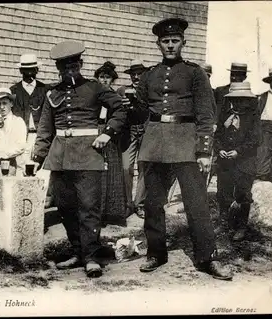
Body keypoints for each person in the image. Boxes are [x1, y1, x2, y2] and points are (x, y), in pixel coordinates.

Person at [135, 18, 233, 280]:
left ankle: (208, 257)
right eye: (165, 41)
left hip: (186, 144)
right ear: (158, 44)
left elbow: (205, 114)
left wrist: (203, 151)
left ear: (183, 43)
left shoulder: (195, 73)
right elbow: (141, 110)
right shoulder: (149, 75)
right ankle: (156, 253)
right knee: (153, 203)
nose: (170, 45)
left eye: (174, 41)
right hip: (155, 144)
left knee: (196, 202)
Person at [32, 41, 127, 278]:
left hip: (88, 155)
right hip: (60, 157)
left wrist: (107, 133)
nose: (69, 72)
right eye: (64, 69)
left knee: (88, 208)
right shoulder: (52, 93)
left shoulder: (94, 88)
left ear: (81, 65)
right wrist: (38, 156)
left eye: (73, 67)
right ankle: (77, 251)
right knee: (65, 207)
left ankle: (92, 257)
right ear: (58, 70)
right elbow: (45, 128)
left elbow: (120, 110)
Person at [214, 82, 261, 242]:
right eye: (234, 99)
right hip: (225, 161)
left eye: (241, 99)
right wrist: (219, 149)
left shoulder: (253, 117)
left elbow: (255, 140)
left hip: (245, 162)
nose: (237, 103)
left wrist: (238, 152)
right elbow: (218, 135)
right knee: (223, 191)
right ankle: (223, 222)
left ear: (247, 100)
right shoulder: (225, 114)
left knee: (243, 193)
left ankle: (241, 226)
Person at [9, 53, 53, 207]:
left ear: (37, 70)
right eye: (26, 70)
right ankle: (22, 207)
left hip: (41, 137)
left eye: (32, 70)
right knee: (21, 168)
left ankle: (38, 207)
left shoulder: (45, 89)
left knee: (40, 170)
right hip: (21, 137)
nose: (29, 73)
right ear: (21, 71)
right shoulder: (13, 91)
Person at [94, 61, 127, 226]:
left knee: (112, 173)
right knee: (98, 173)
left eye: (107, 78)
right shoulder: (93, 96)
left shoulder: (115, 97)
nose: (104, 81)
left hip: (110, 137)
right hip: (94, 134)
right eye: (101, 77)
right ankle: (97, 213)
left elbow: (121, 117)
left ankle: (111, 213)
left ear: (112, 80)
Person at [118, 60, 150, 219]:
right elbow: (116, 112)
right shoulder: (122, 91)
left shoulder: (150, 90)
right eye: (133, 74)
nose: (136, 77)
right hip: (128, 131)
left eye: (139, 74)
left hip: (145, 130)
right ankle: (127, 204)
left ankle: (140, 204)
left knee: (144, 167)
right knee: (125, 167)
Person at [0, 88, 27, 177]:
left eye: (4, 103)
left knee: (8, 188)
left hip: (11, 164)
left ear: (11, 103)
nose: (2, 107)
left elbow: (21, 146)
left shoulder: (18, 121)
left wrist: (2, 153)